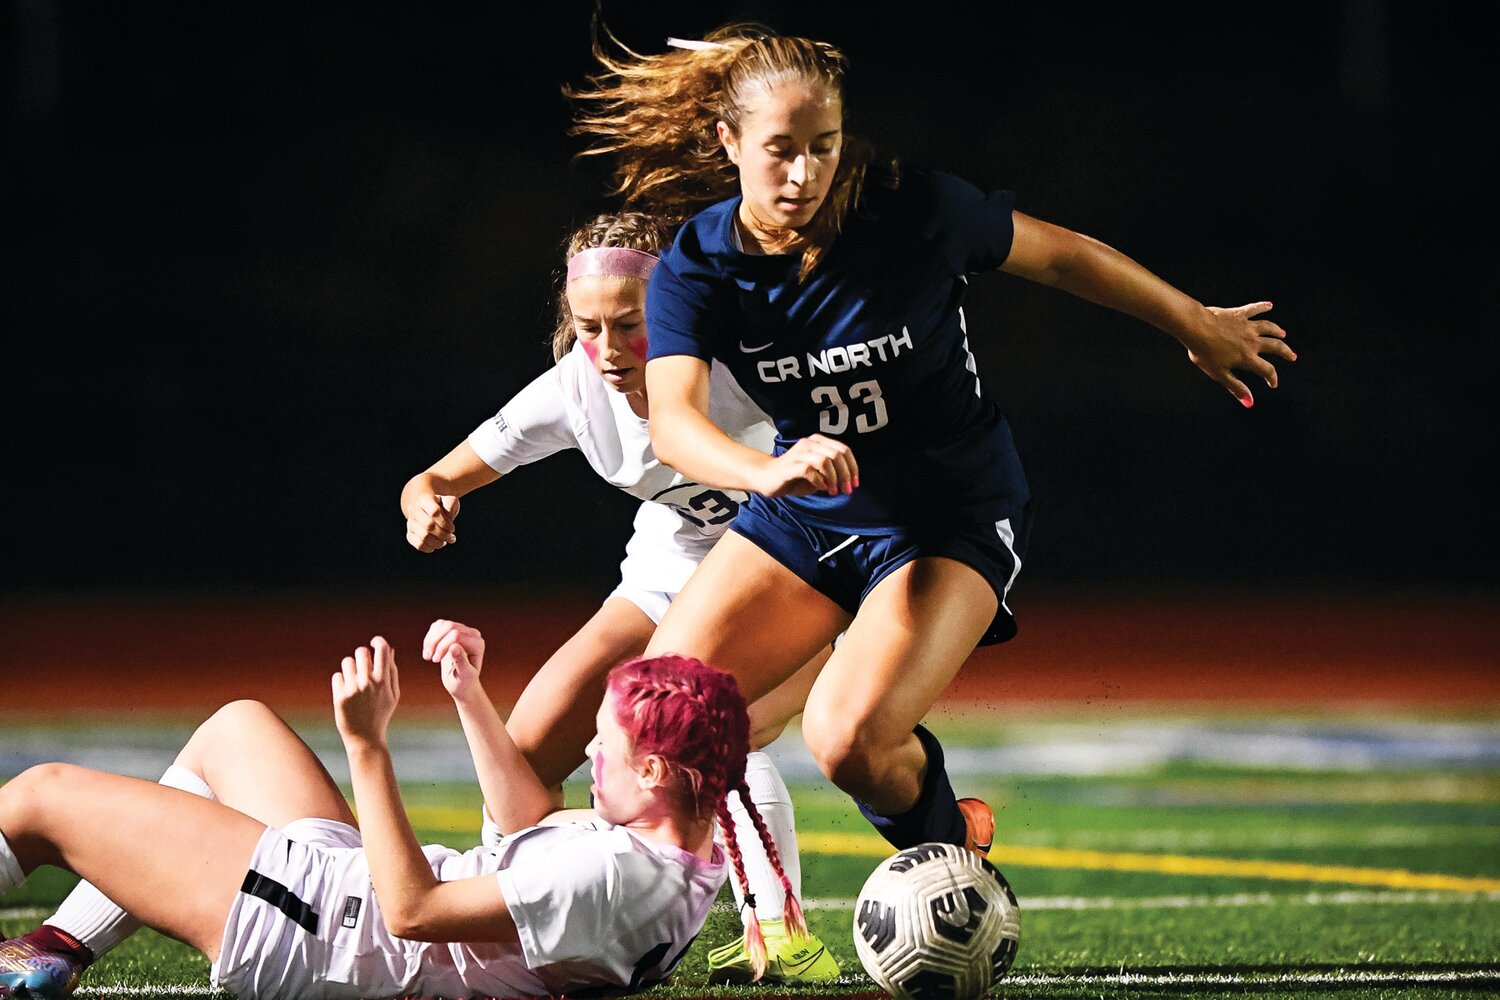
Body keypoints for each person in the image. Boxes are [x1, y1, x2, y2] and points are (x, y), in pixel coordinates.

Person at [567, 27, 1296, 861]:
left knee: (848, 743)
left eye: (824, 146)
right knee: (654, 715)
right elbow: (675, 421)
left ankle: (952, 849)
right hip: (807, 516)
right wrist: (765, 471)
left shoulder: (907, 209)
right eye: (779, 151)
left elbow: (1061, 260)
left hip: (946, 515)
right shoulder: (699, 263)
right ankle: (647, 931)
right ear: (728, 143)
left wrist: (1193, 322)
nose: (804, 173)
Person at [399, 213, 836, 981]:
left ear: (674, 307)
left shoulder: (750, 361)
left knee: (698, 732)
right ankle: (511, 935)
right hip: (662, 581)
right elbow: (433, 476)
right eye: (587, 327)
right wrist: (427, 502)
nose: (605, 350)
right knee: (529, 750)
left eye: (628, 325)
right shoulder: (576, 387)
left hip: (788, 579)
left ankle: (782, 932)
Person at [0, 631, 794, 999]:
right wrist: (469, 697)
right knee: (238, 726)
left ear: (654, 770)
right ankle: (51, 951)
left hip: (328, 937)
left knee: (44, 796)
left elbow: (411, 911)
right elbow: (527, 832)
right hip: (351, 912)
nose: (591, 750)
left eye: (608, 745)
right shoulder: (682, 843)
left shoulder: (614, 874)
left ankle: (42, 956)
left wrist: (367, 745)